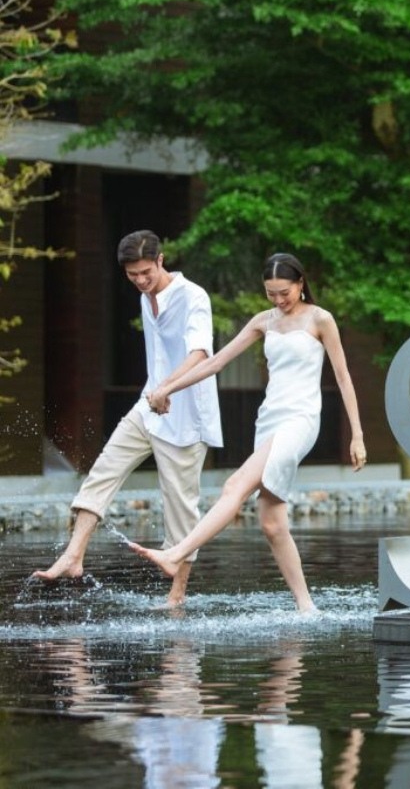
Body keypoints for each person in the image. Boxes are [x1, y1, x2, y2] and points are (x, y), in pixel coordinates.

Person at [129, 252, 366, 613]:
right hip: (269, 419)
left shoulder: (321, 320)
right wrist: (166, 388)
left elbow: (344, 377)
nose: (278, 300)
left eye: (284, 292)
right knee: (271, 524)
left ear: (301, 284)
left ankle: (176, 553)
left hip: (301, 420)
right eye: (271, 293)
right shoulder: (263, 321)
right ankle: (307, 607)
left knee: (234, 485)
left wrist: (358, 435)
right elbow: (215, 362)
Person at [33, 230, 223, 606]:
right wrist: (157, 392)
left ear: (161, 260)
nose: (140, 281)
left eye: (146, 273)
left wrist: (167, 388)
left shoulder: (193, 297)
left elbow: (201, 354)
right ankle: (73, 557)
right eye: (132, 275)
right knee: (103, 470)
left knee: (180, 508)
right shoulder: (143, 298)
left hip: (186, 417)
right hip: (149, 407)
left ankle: (177, 594)